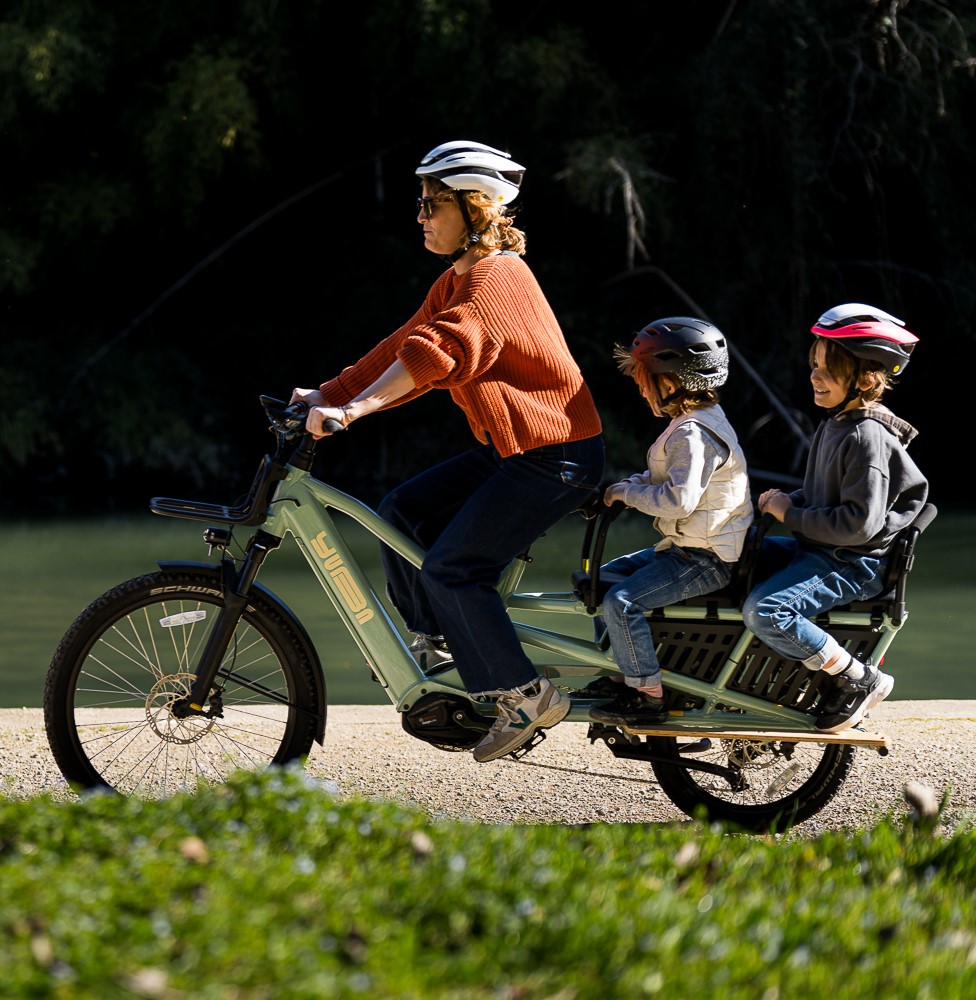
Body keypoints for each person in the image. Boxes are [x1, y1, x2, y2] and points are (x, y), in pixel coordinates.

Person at [291, 140, 605, 762]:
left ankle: (526, 693)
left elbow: (438, 353)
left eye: (434, 203)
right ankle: (438, 645)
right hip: (510, 450)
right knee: (401, 511)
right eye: (422, 202)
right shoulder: (459, 277)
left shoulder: (495, 279)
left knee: (455, 569)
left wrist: (354, 410)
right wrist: (327, 392)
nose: (422, 215)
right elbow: (405, 342)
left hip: (556, 458)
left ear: (477, 208)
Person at [742, 303, 929, 733]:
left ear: (865, 379)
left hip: (852, 562)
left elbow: (857, 524)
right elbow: (821, 493)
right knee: (729, 560)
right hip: (822, 549)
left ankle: (859, 678)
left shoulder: (867, 437)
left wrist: (789, 513)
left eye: (828, 369)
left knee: (767, 610)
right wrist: (784, 500)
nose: (814, 375)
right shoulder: (838, 424)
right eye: (814, 365)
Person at [584, 317, 754, 725]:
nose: (641, 390)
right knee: (601, 578)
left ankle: (645, 693)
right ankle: (622, 671)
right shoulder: (697, 422)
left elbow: (679, 500)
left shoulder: (692, 434)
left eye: (645, 381)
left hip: (705, 559)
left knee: (620, 602)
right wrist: (628, 485)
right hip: (687, 549)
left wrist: (627, 494)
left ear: (672, 381)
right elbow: (670, 478)